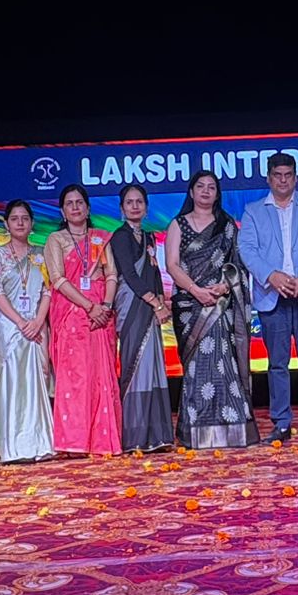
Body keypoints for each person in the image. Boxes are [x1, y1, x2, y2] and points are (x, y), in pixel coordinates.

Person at [239, 154, 298, 442]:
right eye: (277, 175)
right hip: (273, 294)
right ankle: (281, 423)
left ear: (295, 177)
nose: (283, 180)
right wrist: (271, 276)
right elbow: (247, 249)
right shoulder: (254, 211)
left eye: (288, 175)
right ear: (269, 178)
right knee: (277, 364)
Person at [166, 172, 258, 449]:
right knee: (197, 366)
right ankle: (196, 430)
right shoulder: (178, 224)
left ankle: (232, 428)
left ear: (217, 194)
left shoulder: (226, 225)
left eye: (211, 188)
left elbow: (237, 265)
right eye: (200, 186)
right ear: (191, 192)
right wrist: (196, 290)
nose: (206, 191)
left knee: (223, 362)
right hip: (190, 304)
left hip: (220, 303)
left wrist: (224, 287)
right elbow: (172, 265)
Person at [46, 184, 123, 455]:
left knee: (102, 375)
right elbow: (58, 279)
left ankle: (103, 440)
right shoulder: (56, 240)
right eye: (70, 203)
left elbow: (111, 274)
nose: (75, 207)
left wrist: (106, 306)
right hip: (72, 313)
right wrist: (89, 306)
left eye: (80, 202)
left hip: (102, 313)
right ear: (62, 211)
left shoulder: (100, 238)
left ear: (88, 209)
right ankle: (74, 442)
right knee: (76, 376)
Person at [0, 199, 55, 462]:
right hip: (8, 326)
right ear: (6, 224)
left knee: (37, 380)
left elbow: (48, 290)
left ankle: (39, 445)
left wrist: (37, 320)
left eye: (25, 218)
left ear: (32, 223)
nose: (20, 223)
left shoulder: (41, 253)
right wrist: (20, 322)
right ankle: (14, 448)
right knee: (13, 381)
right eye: (14, 219)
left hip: (36, 325)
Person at [110, 184, 173, 452]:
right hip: (132, 306)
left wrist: (162, 302)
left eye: (139, 202)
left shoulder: (149, 237)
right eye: (129, 202)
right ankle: (135, 436)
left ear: (146, 208)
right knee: (135, 365)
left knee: (153, 366)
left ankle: (157, 435)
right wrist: (154, 302)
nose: (135, 206)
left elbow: (154, 272)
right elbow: (130, 275)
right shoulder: (120, 237)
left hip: (151, 307)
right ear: (122, 208)